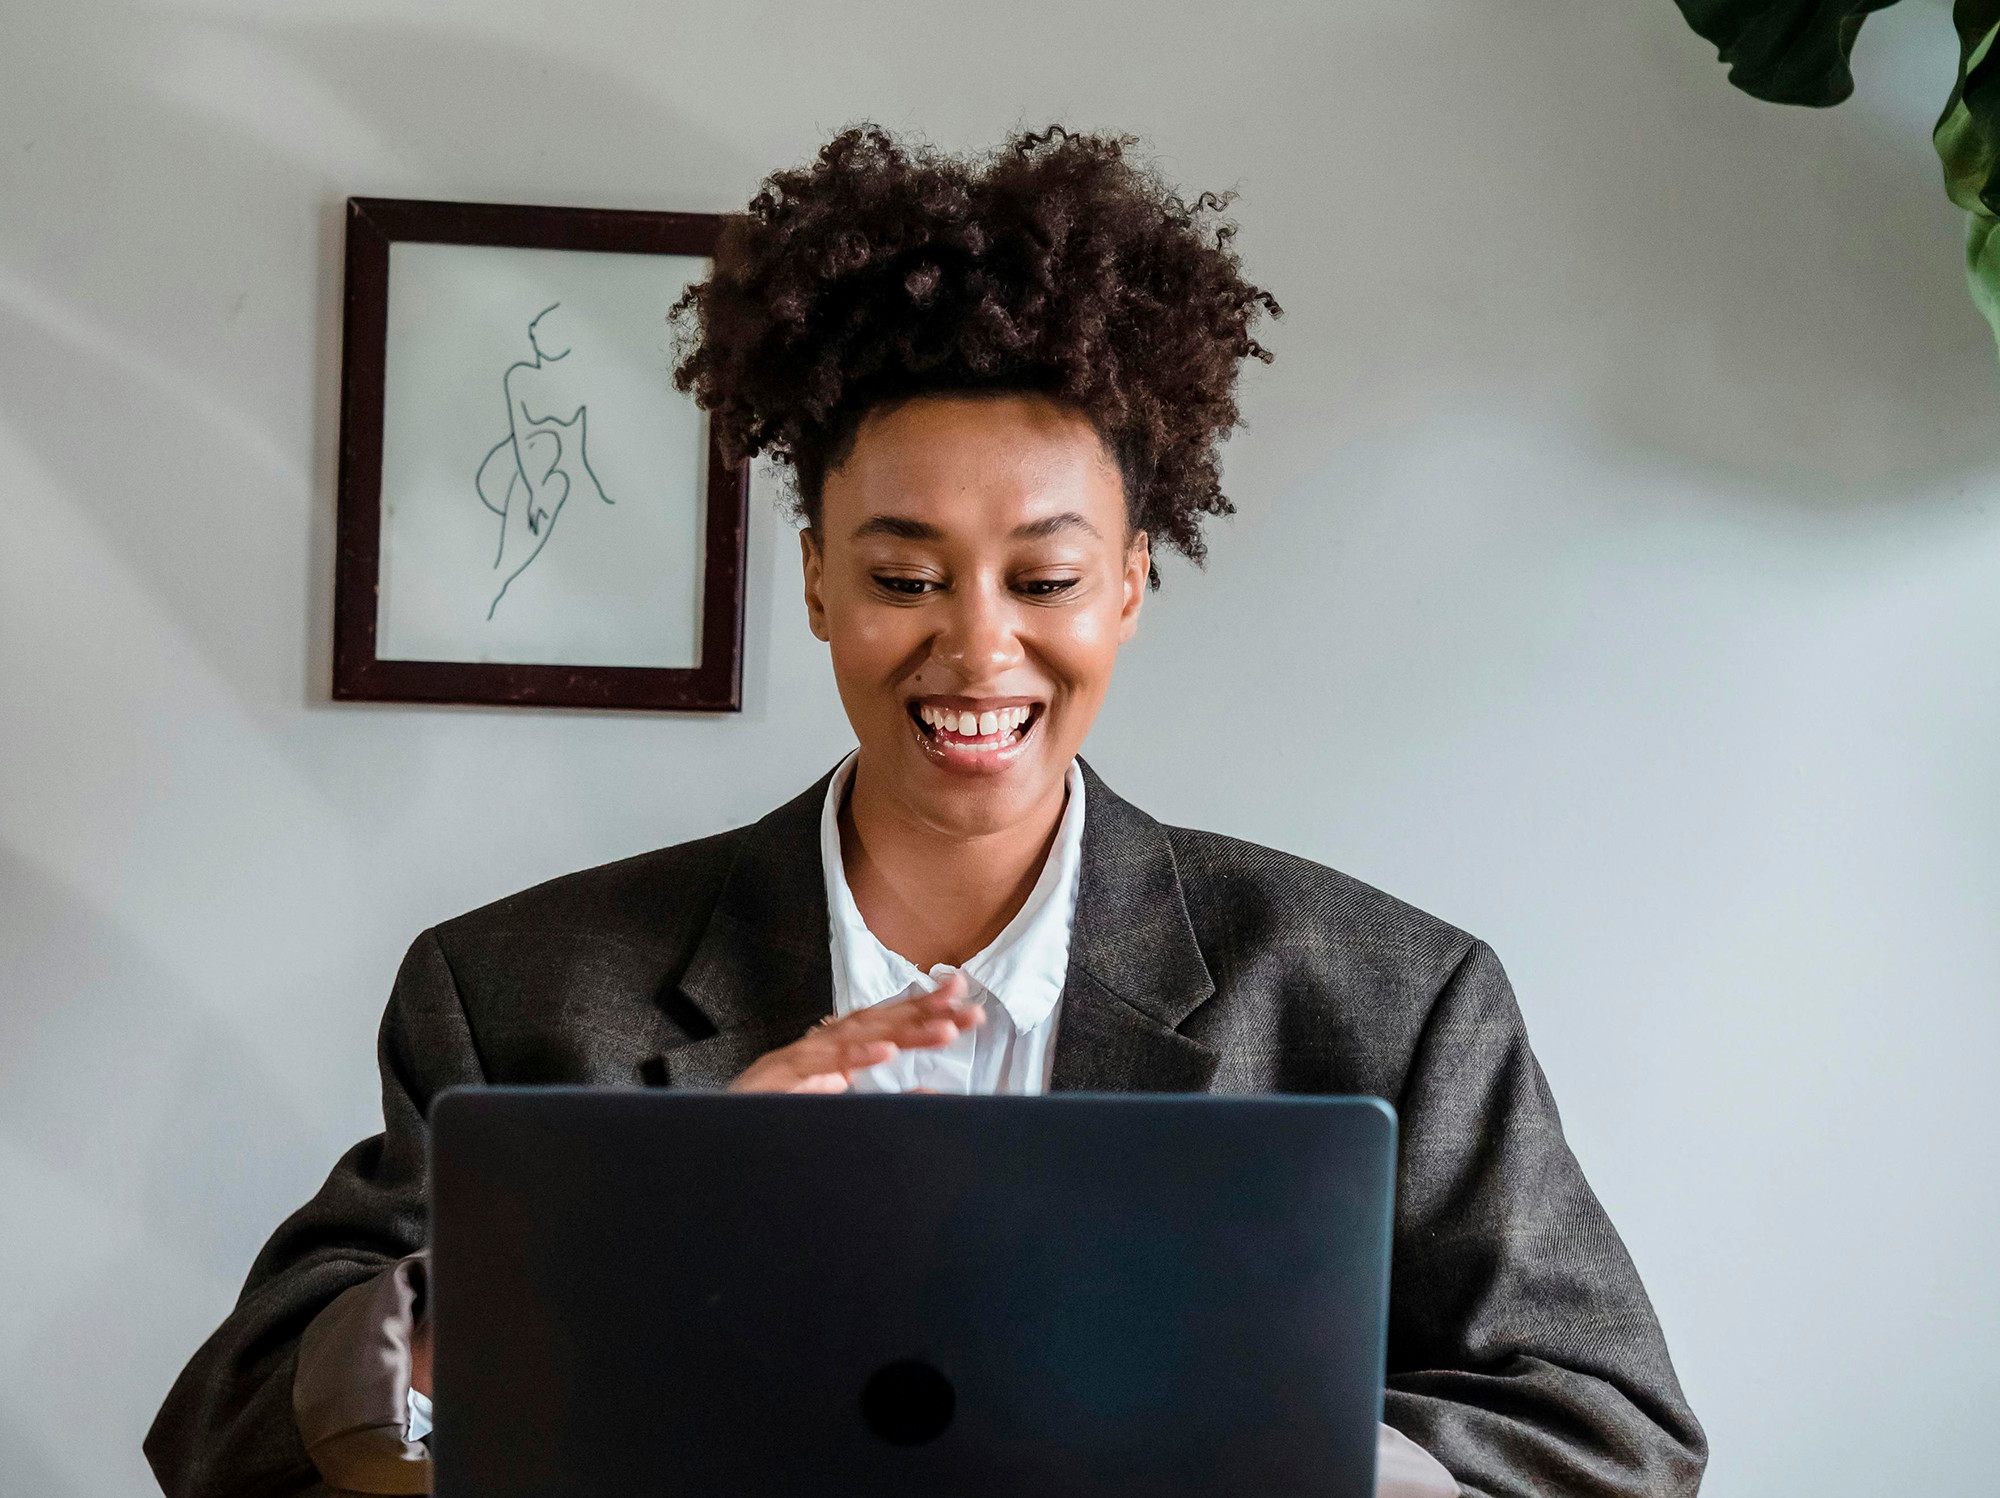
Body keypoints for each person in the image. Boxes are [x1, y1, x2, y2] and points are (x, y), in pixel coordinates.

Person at [145, 125, 1706, 1498]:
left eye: (1045, 577)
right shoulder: (514, 992)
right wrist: (626, 1226)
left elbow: (1608, 1432)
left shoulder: (1391, 1001)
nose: (977, 646)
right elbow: (234, 1437)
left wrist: (1241, 1437)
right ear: (817, 581)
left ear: (1131, 583)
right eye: (903, 575)